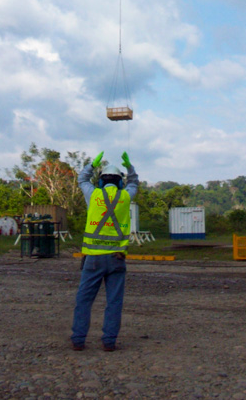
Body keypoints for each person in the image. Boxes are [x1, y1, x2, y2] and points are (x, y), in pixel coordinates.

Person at [71, 150, 139, 351]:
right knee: (114, 302)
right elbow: (134, 183)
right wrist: (130, 167)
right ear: (120, 182)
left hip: (92, 260)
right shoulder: (125, 196)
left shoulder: (93, 195)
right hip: (117, 259)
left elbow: (82, 179)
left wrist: (92, 164)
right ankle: (109, 342)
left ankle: (78, 340)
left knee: (84, 300)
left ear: (100, 182)